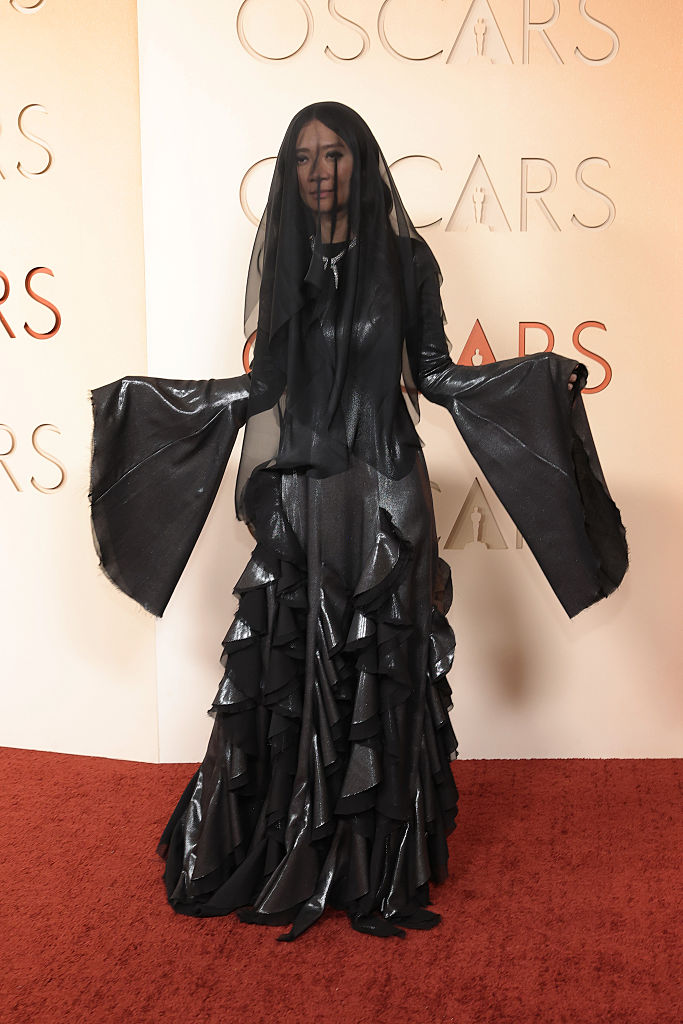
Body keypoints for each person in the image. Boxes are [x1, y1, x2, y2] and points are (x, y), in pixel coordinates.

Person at [89, 102, 627, 941]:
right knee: (297, 668)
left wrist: (532, 382)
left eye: (332, 154)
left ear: (360, 162)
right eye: (302, 157)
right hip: (304, 496)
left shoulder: (409, 262)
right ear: (289, 171)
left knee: (386, 669)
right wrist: (154, 407)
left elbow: (436, 374)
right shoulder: (284, 262)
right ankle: (295, 842)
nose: (316, 170)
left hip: (385, 496)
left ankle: (377, 864)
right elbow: (265, 385)